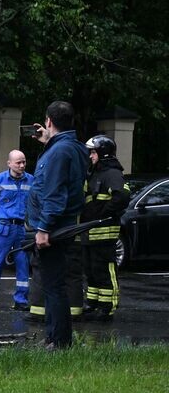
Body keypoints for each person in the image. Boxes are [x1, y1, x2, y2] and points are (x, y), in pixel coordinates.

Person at [26, 101, 90, 350]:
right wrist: (48, 141)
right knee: (54, 284)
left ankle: (59, 341)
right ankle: (55, 337)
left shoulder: (60, 152)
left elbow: (54, 193)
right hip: (61, 224)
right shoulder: (73, 147)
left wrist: (43, 229)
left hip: (53, 228)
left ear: (49, 121)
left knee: (53, 286)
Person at [79, 135, 130, 321]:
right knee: (91, 270)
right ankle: (93, 302)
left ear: (103, 153)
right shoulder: (94, 173)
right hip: (89, 231)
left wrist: (103, 213)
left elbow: (122, 196)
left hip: (105, 232)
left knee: (105, 270)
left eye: (93, 152)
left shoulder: (112, 174)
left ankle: (107, 307)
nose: (91, 156)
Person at [0, 150, 34, 310]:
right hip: (3, 228)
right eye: (18, 162)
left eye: (24, 162)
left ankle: (21, 300)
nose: (22, 165)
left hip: (21, 229)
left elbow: (36, 204)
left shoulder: (31, 180)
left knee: (23, 264)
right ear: (9, 163)